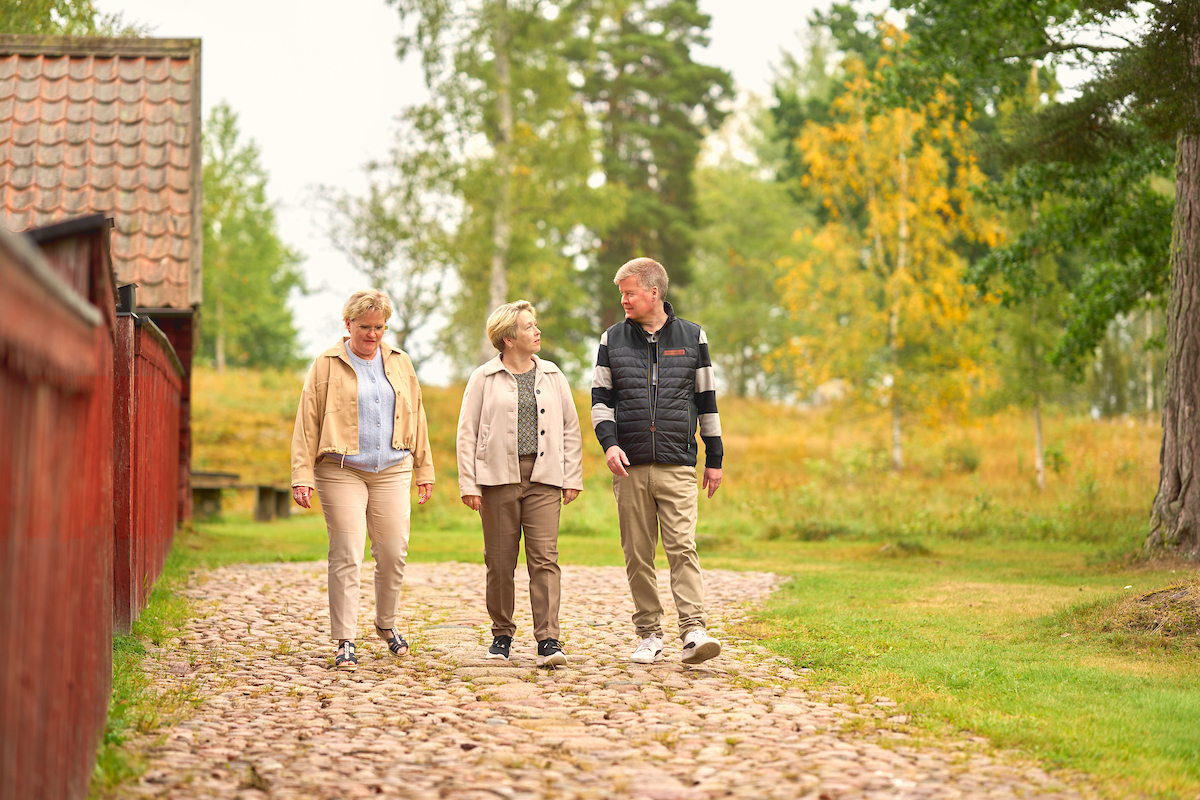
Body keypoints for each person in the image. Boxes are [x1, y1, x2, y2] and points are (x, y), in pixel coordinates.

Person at [290, 289, 435, 672]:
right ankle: (345, 639)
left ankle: (386, 624)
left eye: (380, 327)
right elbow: (307, 421)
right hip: (341, 469)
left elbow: (417, 416)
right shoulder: (325, 364)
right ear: (348, 324)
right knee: (347, 551)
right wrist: (301, 475)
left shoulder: (401, 363)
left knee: (392, 552)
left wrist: (424, 470)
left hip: (392, 467)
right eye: (365, 327)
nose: (373, 335)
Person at [590, 257, 724, 665]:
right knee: (638, 553)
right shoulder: (611, 340)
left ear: (654, 291)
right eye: (622, 294)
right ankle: (648, 634)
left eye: (629, 293)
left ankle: (693, 631)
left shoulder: (693, 336)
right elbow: (600, 401)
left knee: (683, 546)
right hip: (628, 465)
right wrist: (609, 444)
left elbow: (707, 401)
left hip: (677, 463)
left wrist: (714, 457)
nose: (624, 300)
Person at [456, 300, 583, 667]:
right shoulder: (483, 377)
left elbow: (570, 429)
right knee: (499, 562)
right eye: (529, 327)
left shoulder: (553, 375)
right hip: (497, 479)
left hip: (544, 478)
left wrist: (571, 475)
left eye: (535, 325)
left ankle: (548, 640)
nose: (537, 331)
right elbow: (467, 433)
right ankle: (501, 636)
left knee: (544, 559)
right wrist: (469, 483)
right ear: (509, 338)